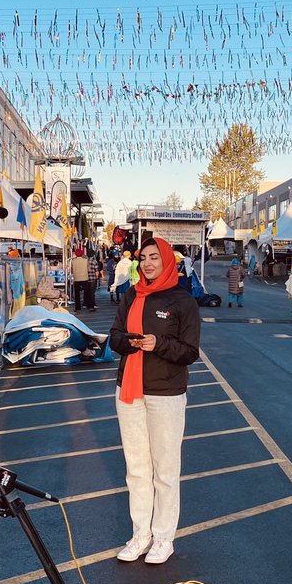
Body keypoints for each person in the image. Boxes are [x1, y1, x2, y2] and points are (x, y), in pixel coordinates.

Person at [109, 237, 201, 565]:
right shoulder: (132, 294)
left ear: (166, 261)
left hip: (166, 394)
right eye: (143, 258)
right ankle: (140, 534)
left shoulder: (183, 301)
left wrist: (158, 344)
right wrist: (130, 342)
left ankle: (163, 538)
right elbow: (114, 337)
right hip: (129, 391)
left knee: (164, 470)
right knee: (136, 469)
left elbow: (190, 351)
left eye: (154, 258)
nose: (147, 264)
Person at [71, 247, 96, 311]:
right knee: (87, 293)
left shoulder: (73, 261)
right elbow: (89, 269)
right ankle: (90, 306)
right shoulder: (85, 260)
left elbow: (71, 270)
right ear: (82, 254)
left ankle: (77, 308)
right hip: (85, 278)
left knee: (77, 295)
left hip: (76, 279)